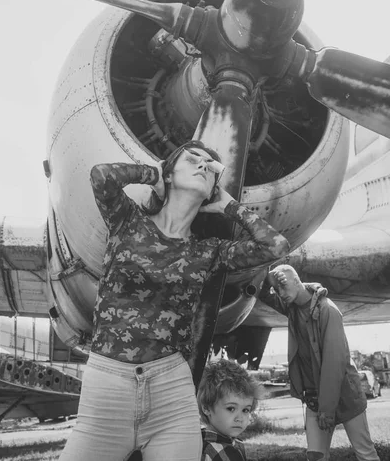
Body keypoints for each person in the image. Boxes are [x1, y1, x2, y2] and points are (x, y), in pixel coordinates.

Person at [59, 140, 289, 461]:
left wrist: (229, 205)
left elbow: (275, 246)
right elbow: (101, 176)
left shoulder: (208, 251)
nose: (203, 165)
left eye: (212, 167)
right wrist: (153, 173)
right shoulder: (128, 220)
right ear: (169, 173)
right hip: (108, 385)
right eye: (193, 158)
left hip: (171, 388)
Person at [260, 264, 379, 461]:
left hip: (345, 395)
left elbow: (334, 363)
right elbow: (264, 295)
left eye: (284, 287)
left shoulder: (328, 310)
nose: (280, 294)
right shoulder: (291, 306)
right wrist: (268, 278)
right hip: (314, 399)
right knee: (315, 456)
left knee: (365, 453)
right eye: (277, 289)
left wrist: (327, 409)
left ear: (298, 282)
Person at [198, 358, 261, 461]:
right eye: (231, 408)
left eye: (245, 410)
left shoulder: (199, 440)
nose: (239, 418)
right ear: (206, 407)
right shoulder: (220, 451)